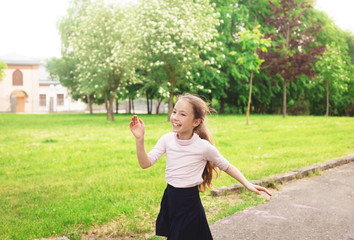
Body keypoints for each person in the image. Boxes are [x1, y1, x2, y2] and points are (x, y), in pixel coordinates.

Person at [129, 93, 271, 240]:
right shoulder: (167, 140)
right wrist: (140, 139)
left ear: (196, 122)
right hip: (171, 199)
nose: (175, 117)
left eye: (182, 114)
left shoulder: (203, 147)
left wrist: (247, 184)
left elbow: (226, 166)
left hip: (190, 204)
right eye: (174, 111)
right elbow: (145, 163)